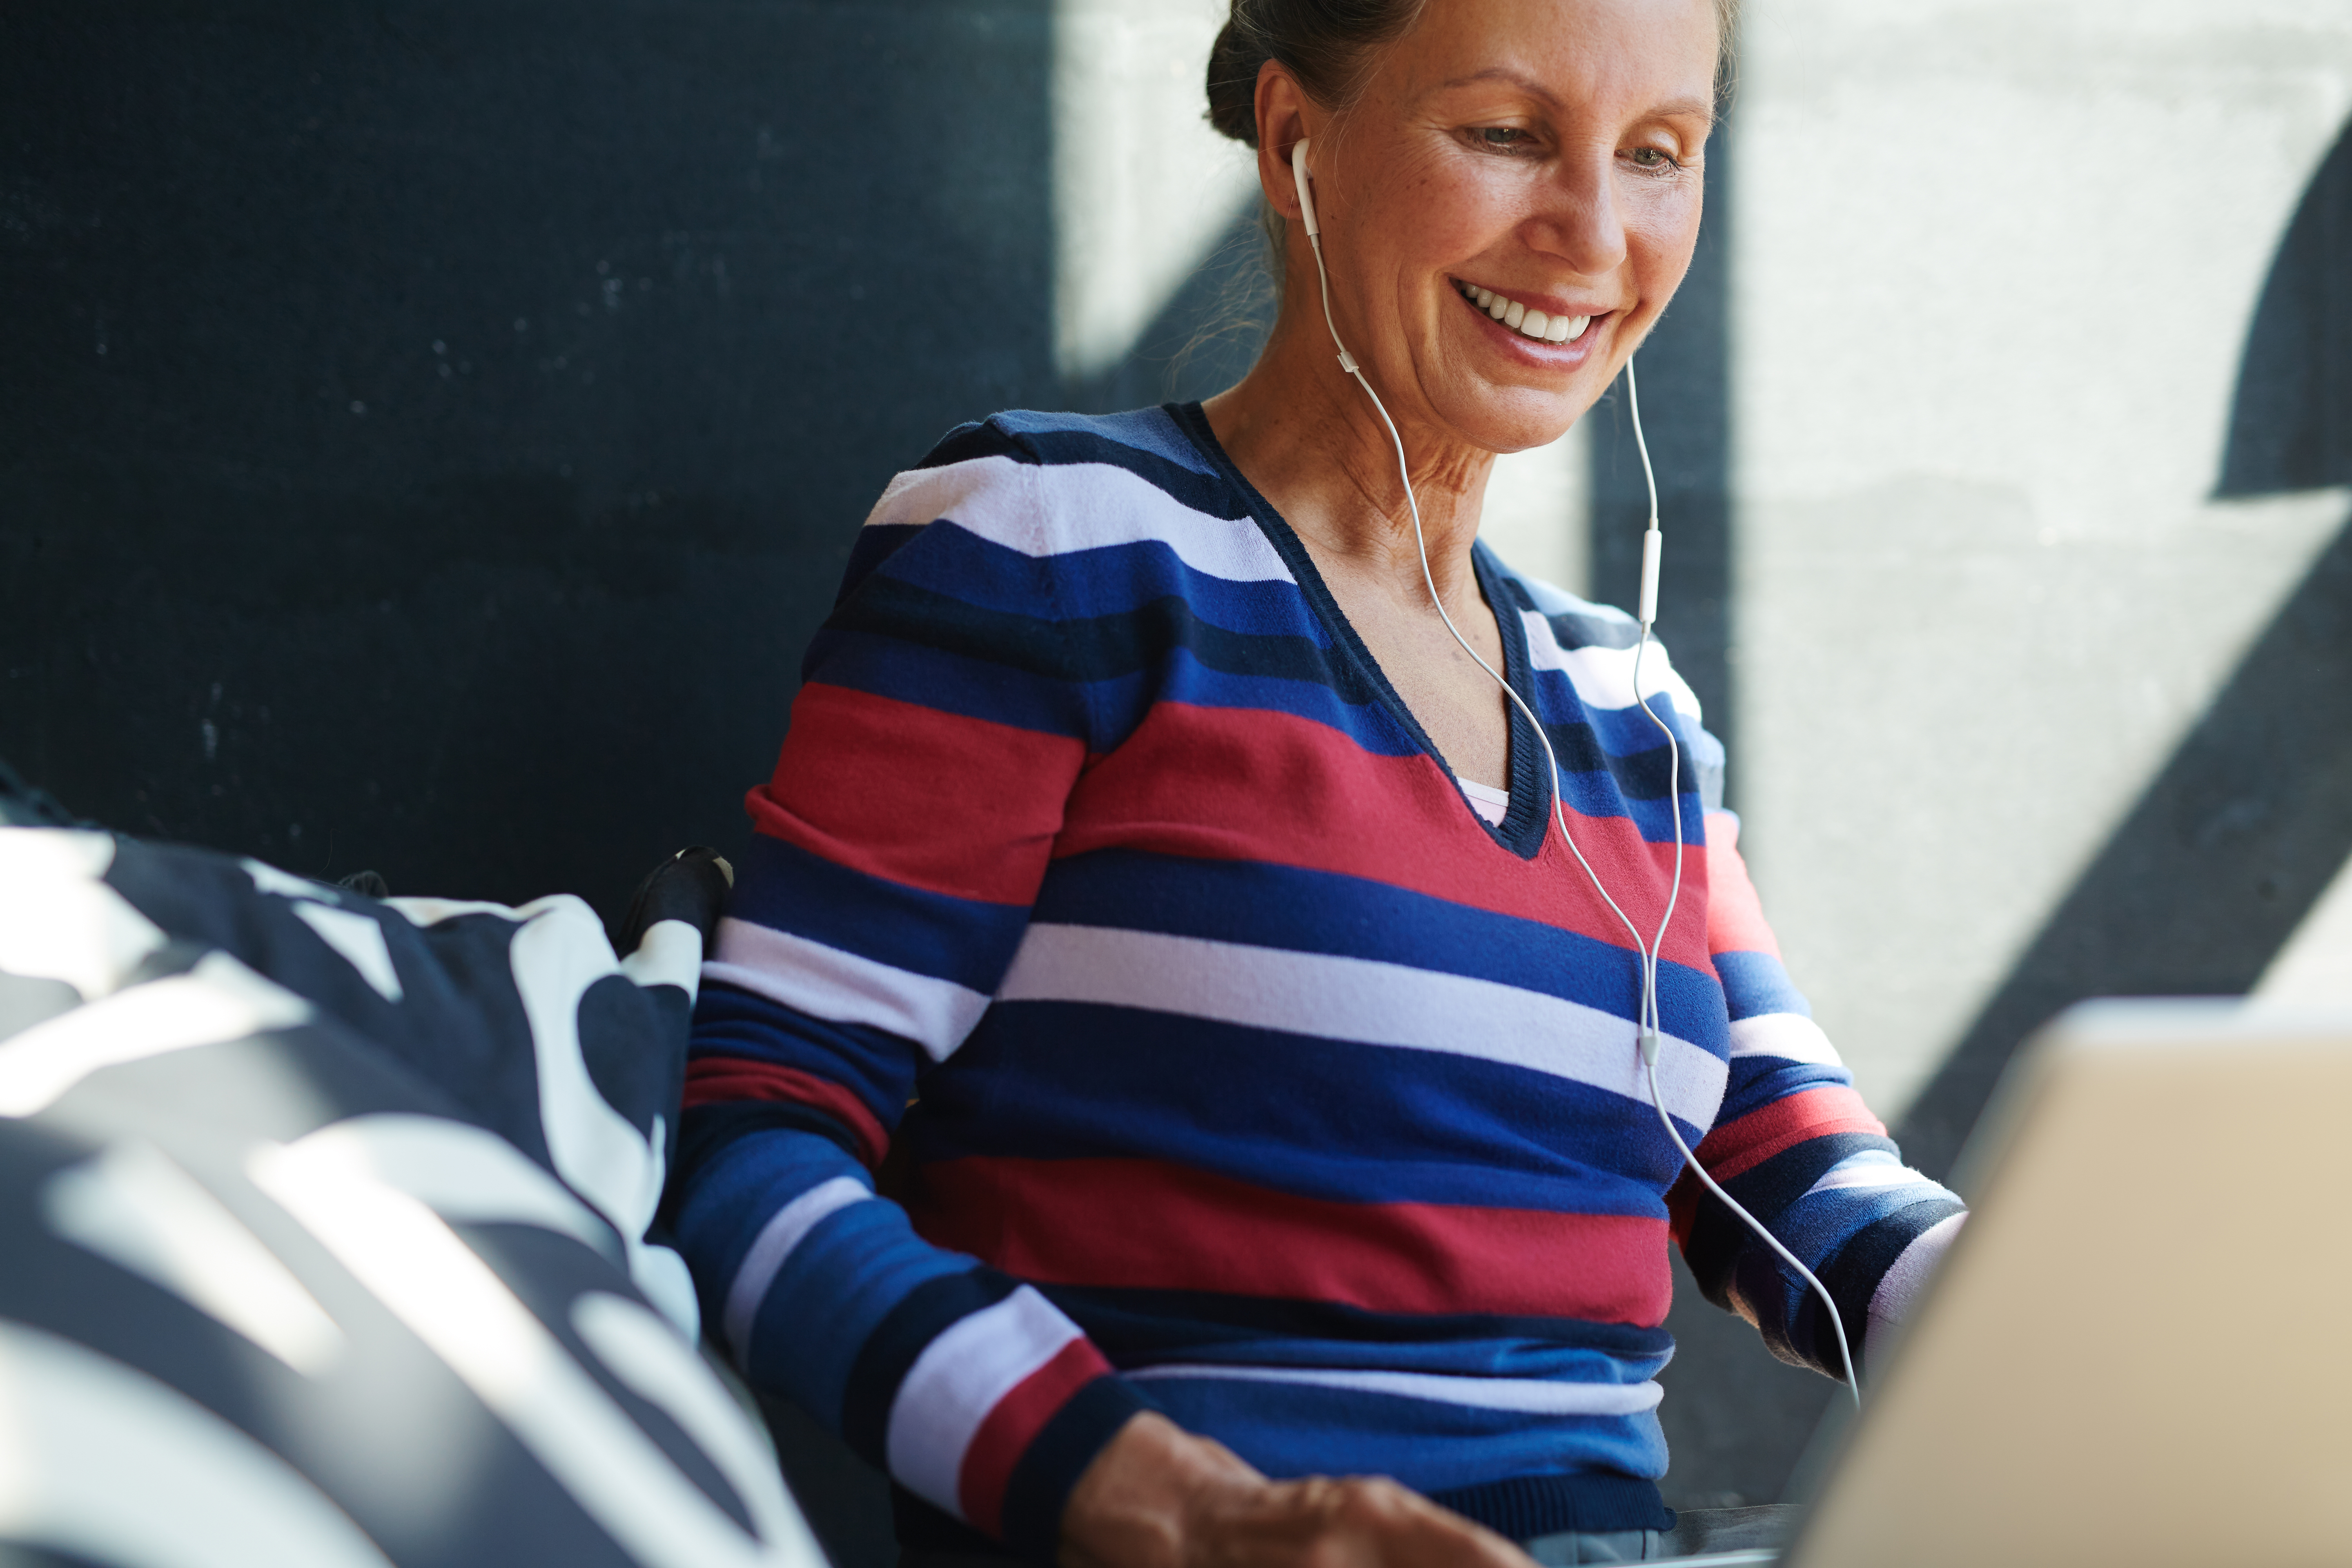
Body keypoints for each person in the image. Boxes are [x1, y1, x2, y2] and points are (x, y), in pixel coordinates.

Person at [667, 1, 1966, 1564]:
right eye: (1504, 135)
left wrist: (2115, 1320)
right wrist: (1181, 1510)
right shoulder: (1048, 545)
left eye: (1659, 155)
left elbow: (1800, 1186)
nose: (1593, 232)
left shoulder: (1625, 704)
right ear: (1295, 141)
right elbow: (749, 1157)